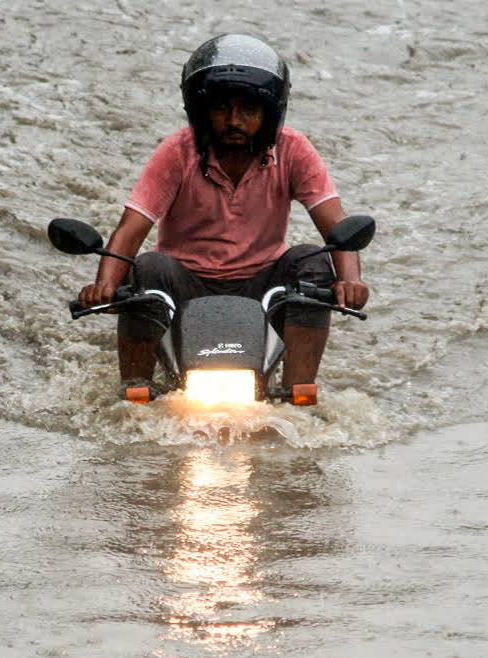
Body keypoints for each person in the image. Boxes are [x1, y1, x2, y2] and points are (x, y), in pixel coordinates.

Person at [78, 33, 369, 398]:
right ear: (202, 112)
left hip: (263, 284)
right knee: (148, 268)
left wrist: (350, 281)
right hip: (183, 284)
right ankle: (135, 391)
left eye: (247, 109)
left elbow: (337, 227)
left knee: (310, 264)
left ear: (268, 114)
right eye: (221, 109)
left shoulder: (294, 150)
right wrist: (106, 285)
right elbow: (131, 229)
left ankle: (298, 395)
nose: (234, 120)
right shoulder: (176, 152)